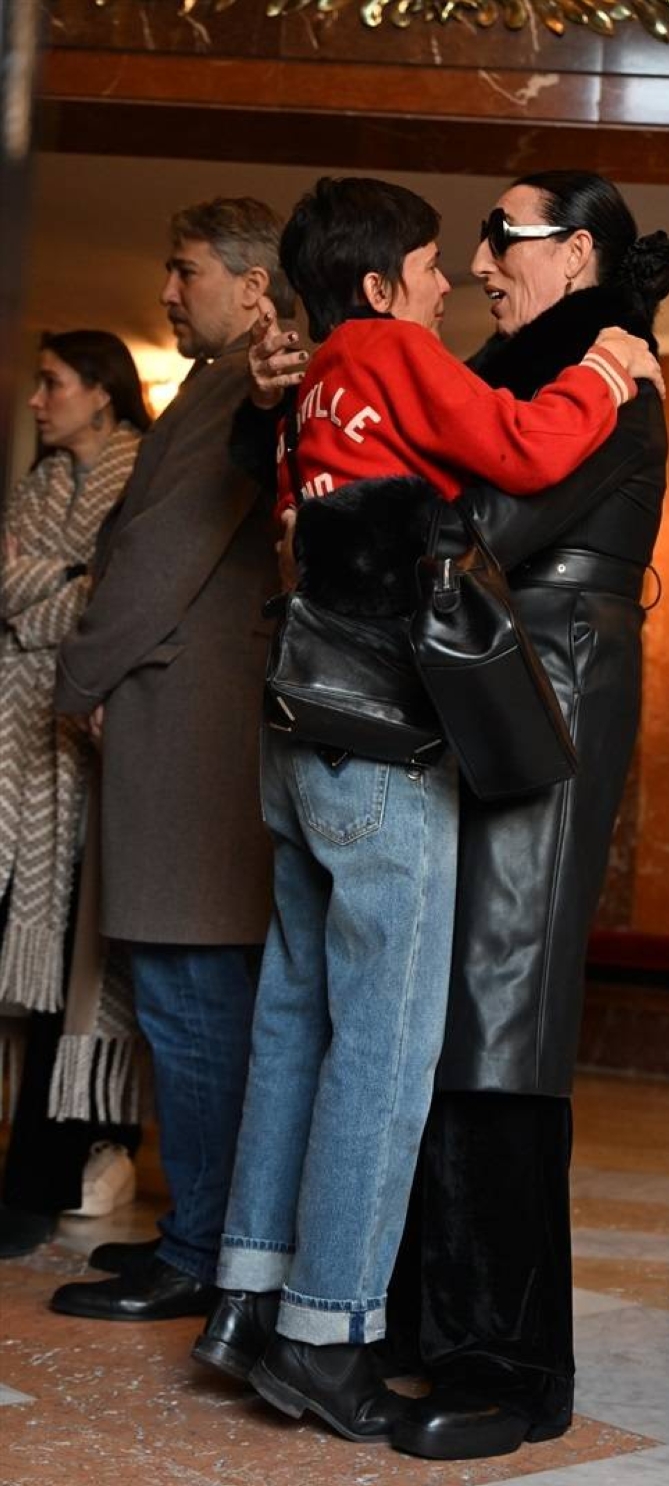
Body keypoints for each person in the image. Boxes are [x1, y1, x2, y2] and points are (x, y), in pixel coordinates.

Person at [190, 176, 663, 1443]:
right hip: (385, 739)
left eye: (492, 244)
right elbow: (512, 462)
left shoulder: (318, 382)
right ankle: (326, 1327)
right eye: (438, 257)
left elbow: (355, 512)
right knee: (387, 1052)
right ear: (381, 282)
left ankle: (244, 1294)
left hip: (296, 731)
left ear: (574, 253)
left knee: (294, 1023)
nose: (458, 275)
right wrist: (609, 376)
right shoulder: (395, 351)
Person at [384, 171, 669, 1460]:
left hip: (549, 693)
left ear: (581, 255)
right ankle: (438, 1327)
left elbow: (488, 518)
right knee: (456, 1011)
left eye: (506, 237)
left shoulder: (611, 377)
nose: (486, 260)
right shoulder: (534, 377)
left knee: (506, 1011)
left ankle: (516, 1367)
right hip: (503, 684)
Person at [47, 197, 295, 1322]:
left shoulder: (249, 379)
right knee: (184, 1002)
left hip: (194, 732)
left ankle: (204, 1250)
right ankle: (192, 1229)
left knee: (199, 1005)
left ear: (252, 288)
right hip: (182, 725)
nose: (164, 290)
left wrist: (79, 676)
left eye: (182, 269)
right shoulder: (213, 383)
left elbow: (156, 556)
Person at [0, 330, 150, 1259]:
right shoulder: (38, 486)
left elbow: (113, 601)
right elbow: (41, 587)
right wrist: (66, 582)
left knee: (80, 968)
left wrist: (38, 587)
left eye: (51, 383)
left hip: (98, 748)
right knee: (25, 958)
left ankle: (56, 1166)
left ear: (101, 393)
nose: (34, 399)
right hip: (19, 756)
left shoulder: (141, 480)